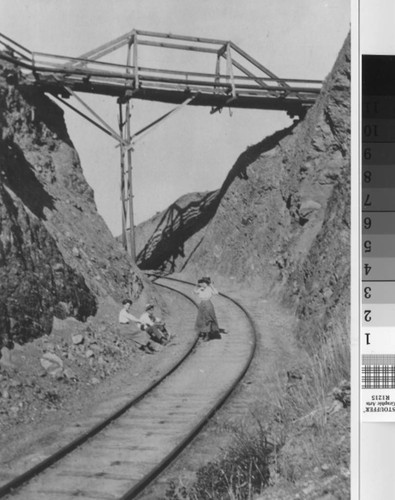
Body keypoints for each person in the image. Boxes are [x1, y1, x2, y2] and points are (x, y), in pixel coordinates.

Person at [193, 277, 221, 341]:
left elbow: (216, 293)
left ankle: (207, 335)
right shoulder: (201, 289)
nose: (202, 284)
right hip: (202, 304)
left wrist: (212, 286)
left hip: (208, 304)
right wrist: (196, 286)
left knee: (208, 319)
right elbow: (195, 292)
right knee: (201, 318)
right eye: (202, 283)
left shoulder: (209, 289)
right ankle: (203, 332)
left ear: (207, 283)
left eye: (204, 283)